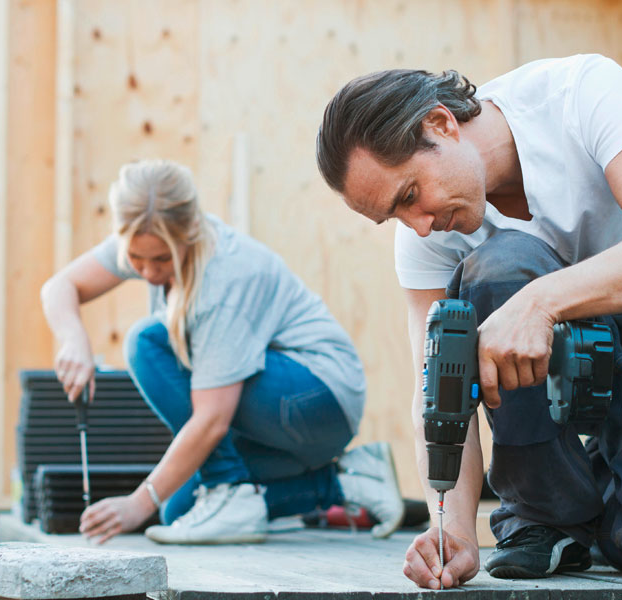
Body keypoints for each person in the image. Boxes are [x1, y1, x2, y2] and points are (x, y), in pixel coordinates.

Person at [316, 55, 622, 588]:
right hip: (544, 377)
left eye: (410, 196)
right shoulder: (428, 232)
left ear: (440, 124)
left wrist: (541, 303)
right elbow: (438, 389)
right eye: (394, 216)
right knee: (498, 270)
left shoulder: (580, 94)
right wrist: (456, 530)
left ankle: (617, 483)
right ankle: (547, 515)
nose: (418, 228)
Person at [41, 159, 403, 545]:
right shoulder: (145, 237)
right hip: (277, 412)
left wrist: (136, 502)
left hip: (317, 397)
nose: (147, 271)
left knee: (146, 343)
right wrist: (73, 337)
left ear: (189, 233)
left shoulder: (223, 279)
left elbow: (212, 420)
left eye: (161, 259)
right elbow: (60, 286)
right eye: (135, 259)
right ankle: (349, 482)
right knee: (178, 510)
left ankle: (229, 488)